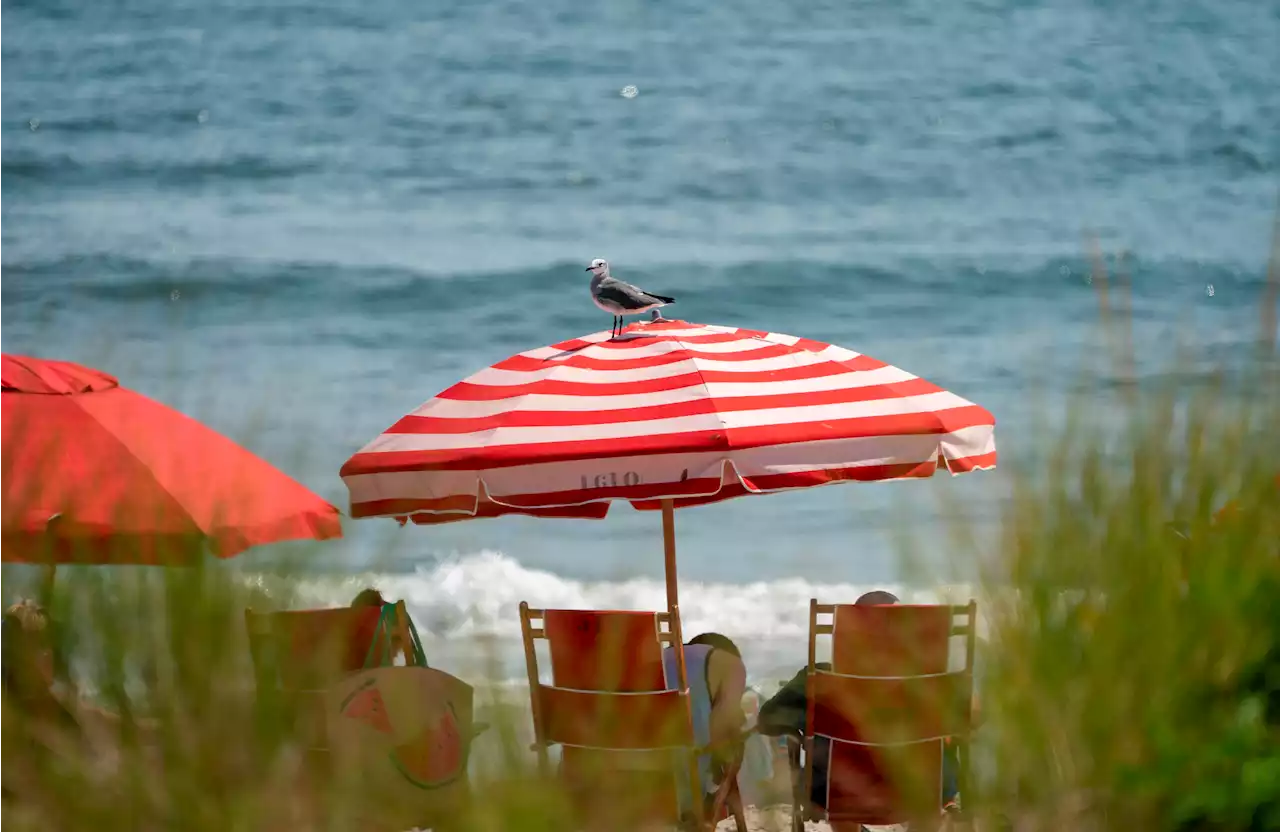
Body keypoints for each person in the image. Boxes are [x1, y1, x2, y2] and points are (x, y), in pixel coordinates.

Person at [756, 591, 976, 819]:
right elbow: (974, 719)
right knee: (944, 742)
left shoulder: (820, 678)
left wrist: (802, 731)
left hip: (837, 798)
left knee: (825, 743)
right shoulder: (934, 684)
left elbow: (767, 720)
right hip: (923, 794)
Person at [662, 631, 748, 819]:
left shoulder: (658, 657)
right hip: (686, 783)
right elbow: (721, 727)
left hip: (632, 774)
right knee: (735, 743)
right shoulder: (731, 663)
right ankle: (709, 804)